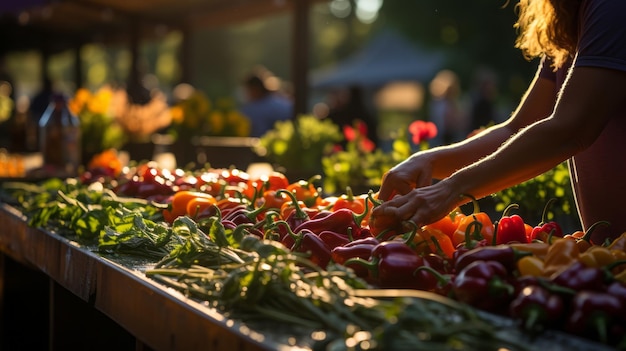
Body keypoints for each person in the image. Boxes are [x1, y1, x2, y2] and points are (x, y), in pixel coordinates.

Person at [370, 0, 626, 245]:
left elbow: (570, 129)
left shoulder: (611, 7)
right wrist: (428, 160)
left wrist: (450, 190)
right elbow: (517, 129)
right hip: (608, 255)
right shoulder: (567, 19)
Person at [239, 66, 293, 137]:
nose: (246, 94)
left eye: (248, 90)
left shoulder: (253, 110)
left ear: (255, 89)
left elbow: (258, 135)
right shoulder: (283, 102)